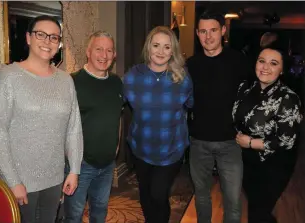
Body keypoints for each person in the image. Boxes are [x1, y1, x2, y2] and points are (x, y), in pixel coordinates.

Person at [0, 15, 83, 222]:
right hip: (21, 180)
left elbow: (74, 128)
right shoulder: (9, 76)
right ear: (28, 38)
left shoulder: (66, 80)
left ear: (59, 44)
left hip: (54, 177)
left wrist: (74, 169)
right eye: (41, 34)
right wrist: (13, 181)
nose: (47, 41)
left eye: (54, 37)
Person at [123, 26, 194, 223]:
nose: (161, 52)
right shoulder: (132, 77)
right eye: (156, 45)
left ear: (173, 51)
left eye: (167, 47)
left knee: (158, 193)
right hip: (141, 147)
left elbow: (191, 104)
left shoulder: (182, 79)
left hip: (171, 149)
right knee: (145, 192)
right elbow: (114, 101)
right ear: (148, 47)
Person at [186, 11, 251, 223]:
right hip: (198, 142)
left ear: (223, 30)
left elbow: (252, 97)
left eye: (213, 30)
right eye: (203, 31)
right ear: (197, 33)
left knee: (232, 200)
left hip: (230, 142)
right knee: (202, 197)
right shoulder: (191, 65)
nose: (208, 36)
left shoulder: (238, 61)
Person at [233, 46, 302, 223]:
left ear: (281, 70)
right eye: (261, 61)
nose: (265, 67)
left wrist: (250, 143)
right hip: (246, 160)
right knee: (258, 207)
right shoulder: (245, 88)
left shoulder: (288, 98)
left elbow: (287, 140)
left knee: (258, 211)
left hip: (274, 164)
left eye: (273, 63)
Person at [64, 31, 124, 223]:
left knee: (100, 212)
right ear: (88, 52)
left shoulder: (116, 83)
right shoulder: (72, 82)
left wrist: (115, 149)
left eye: (109, 50)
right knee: (74, 215)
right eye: (99, 49)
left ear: (114, 55)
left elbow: (118, 118)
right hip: (79, 166)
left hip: (107, 165)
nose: (104, 55)